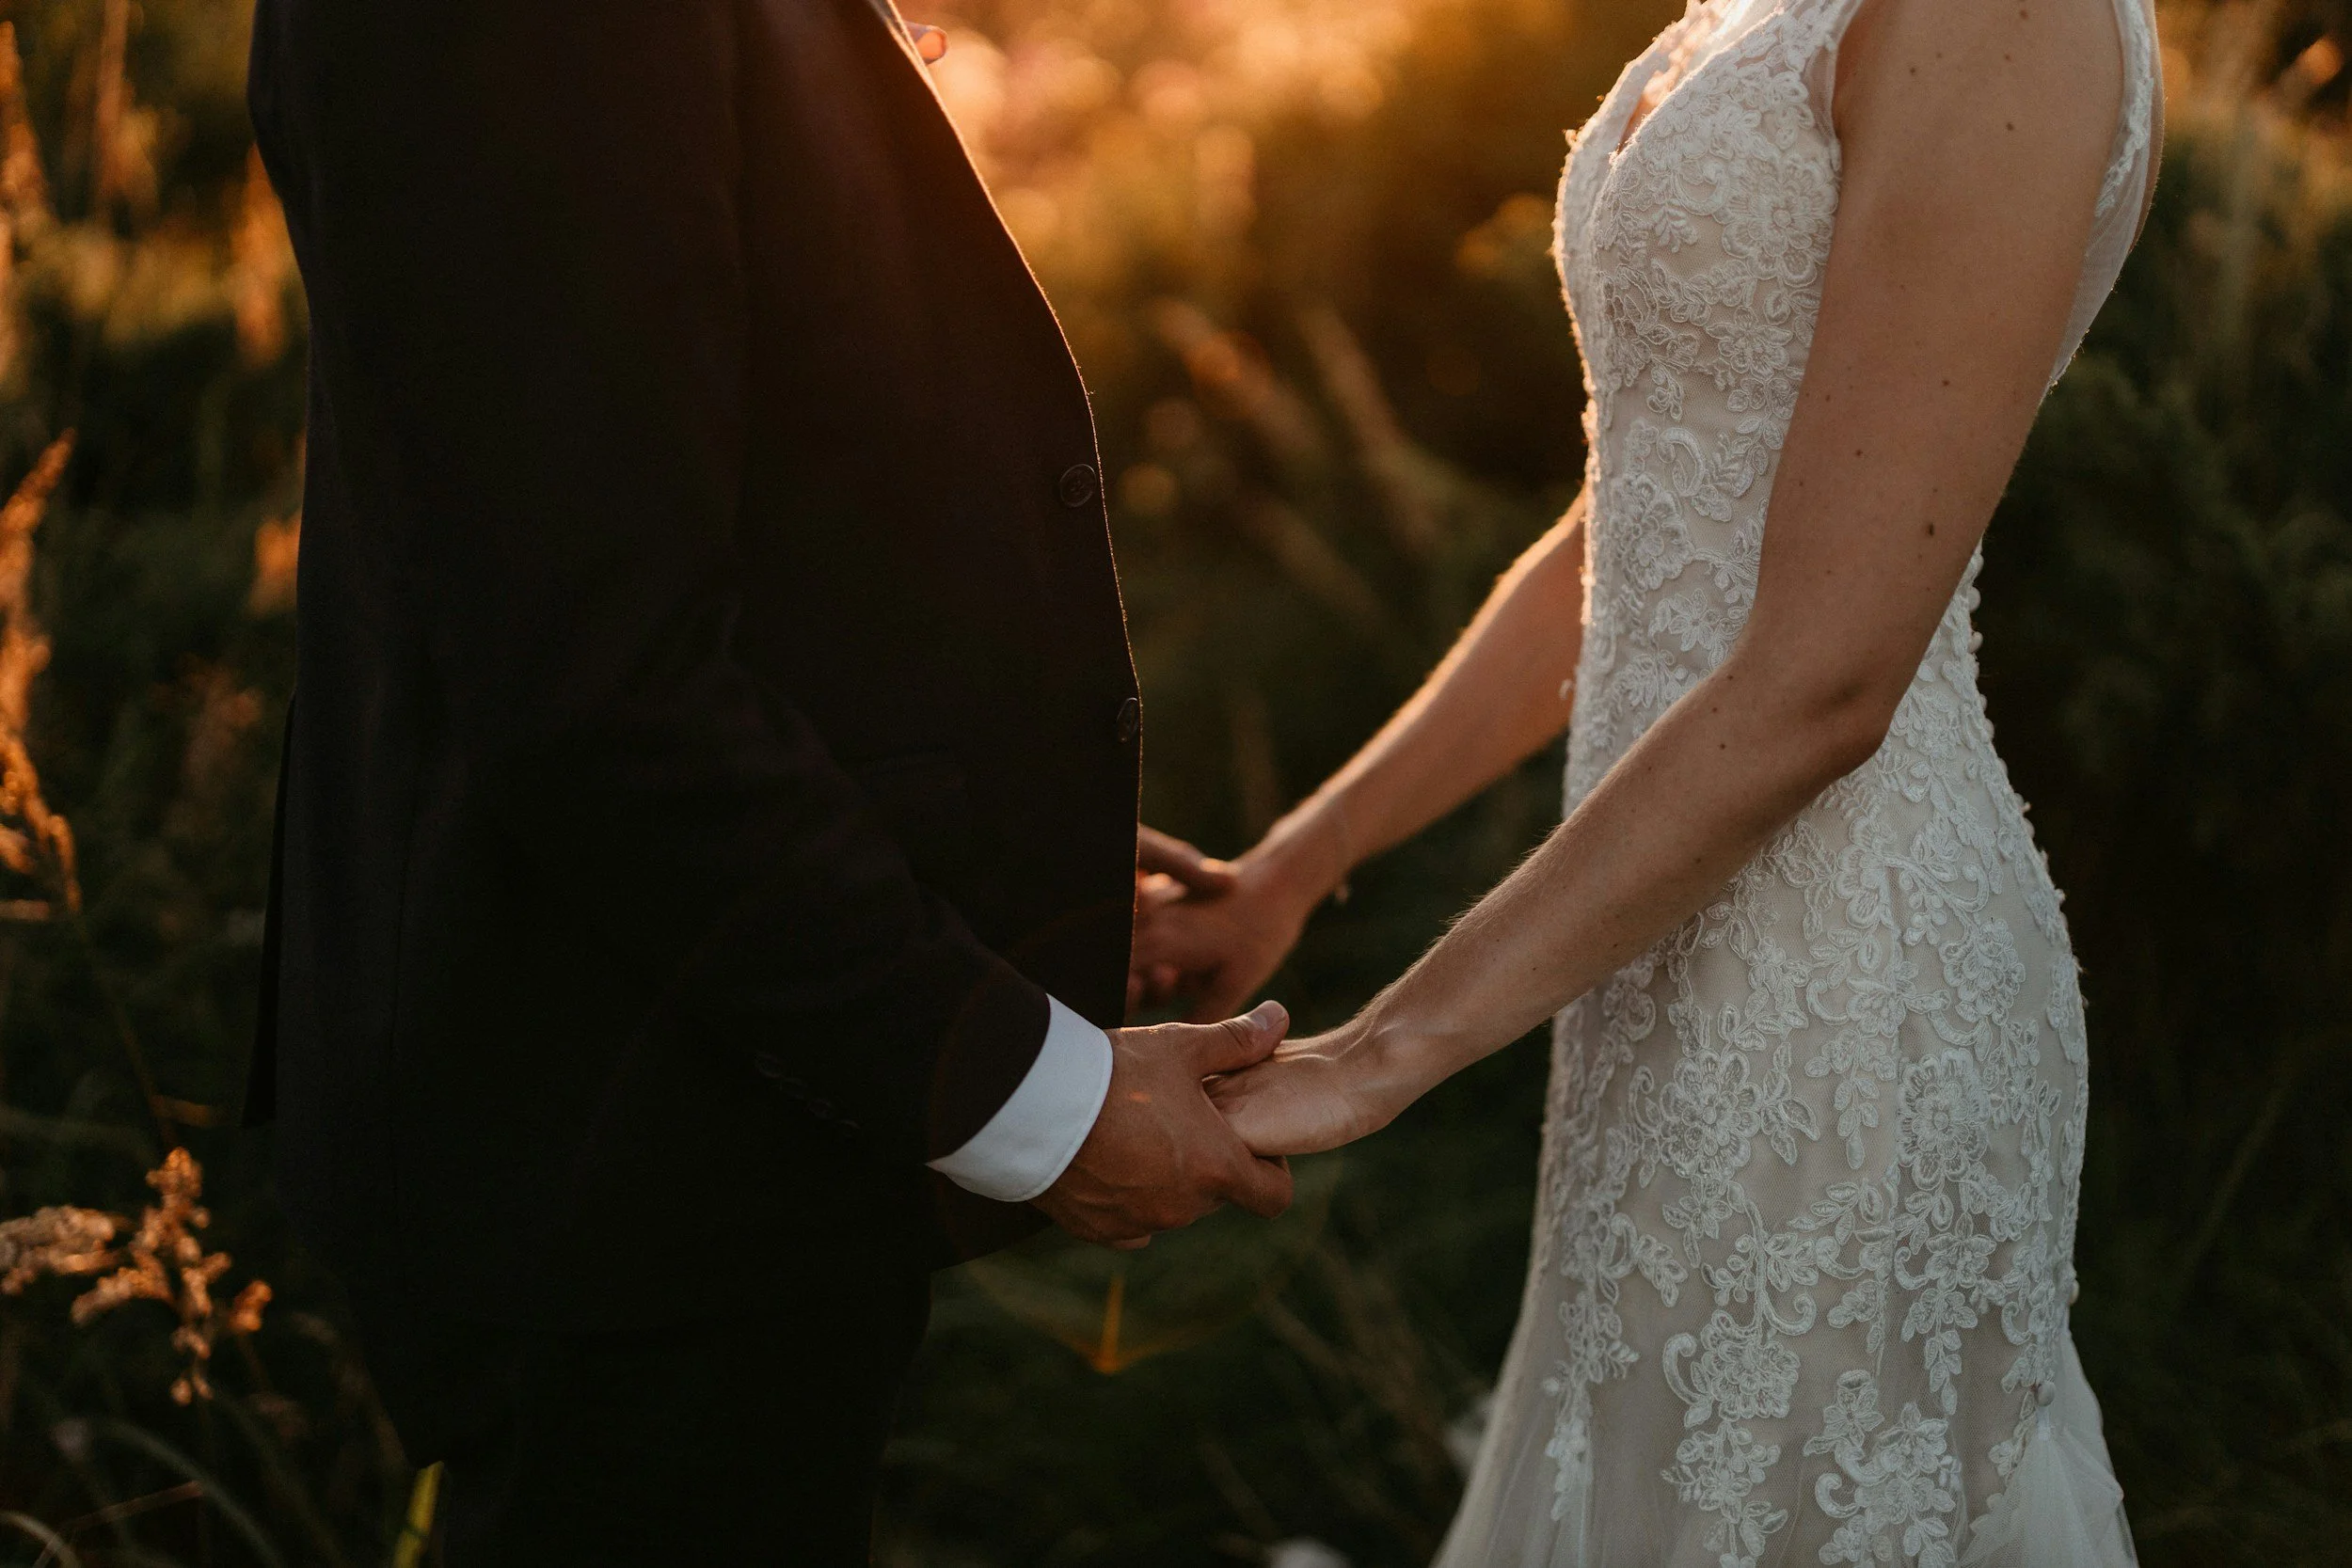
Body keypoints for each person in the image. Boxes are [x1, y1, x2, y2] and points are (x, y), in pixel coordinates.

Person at [240, 0, 1286, 1561]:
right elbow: (602, 685)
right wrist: (1031, 1093)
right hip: (624, 1159)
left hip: (705, 1104)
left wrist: (991, 853)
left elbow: (693, 503)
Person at [1135, 0, 2160, 1557]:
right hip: (1638, 945)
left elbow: (1825, 677)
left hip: (1838, 985)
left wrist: (1382, 1052)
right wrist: (1298, 860)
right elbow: (1629, 522)